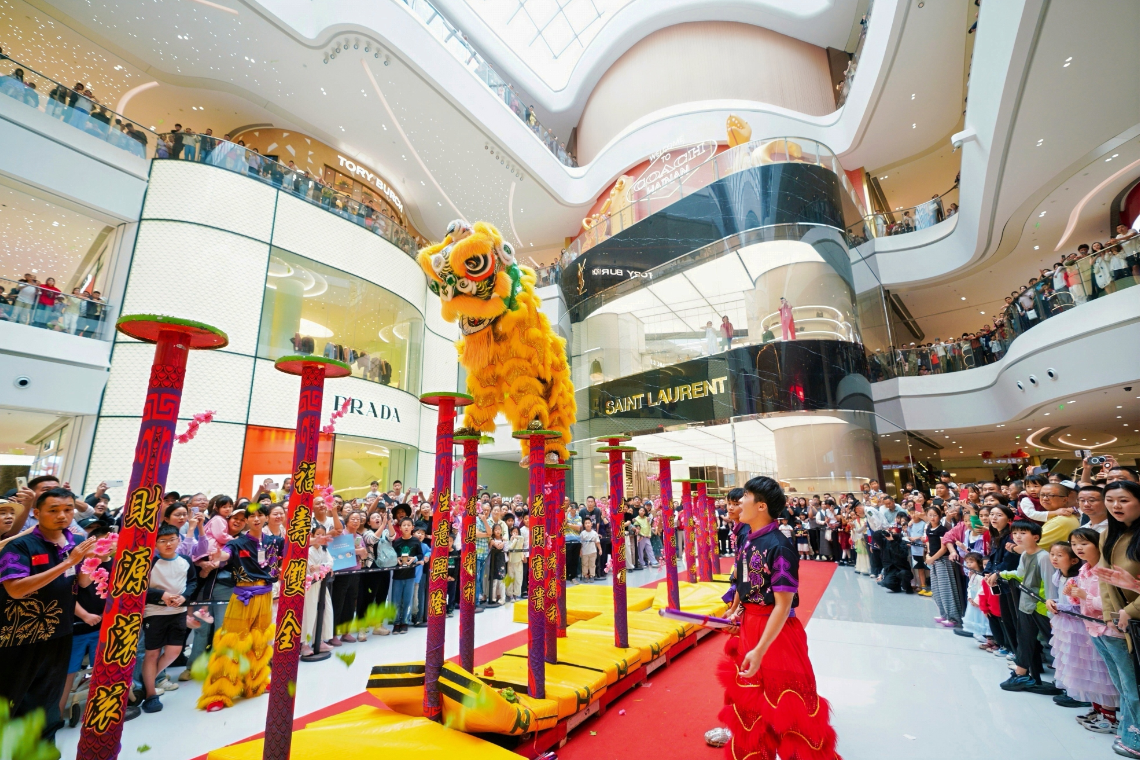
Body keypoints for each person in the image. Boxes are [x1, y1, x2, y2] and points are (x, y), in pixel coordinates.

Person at [717, 476, 839, 759]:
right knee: (751, 699)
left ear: (761, 506)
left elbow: (782, 607)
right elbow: (747, 587)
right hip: (751, 626)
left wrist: (760, 648)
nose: (739, 502)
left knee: (787, 701)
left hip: (777, 635)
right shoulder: (748, 539)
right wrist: (737, 613)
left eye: (745, 497)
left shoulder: (779, 546)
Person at [0, 487, 97, 741]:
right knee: (10, 700)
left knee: (47, 702)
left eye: (68, 510)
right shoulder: (20, 545)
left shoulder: (76, 542)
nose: (62, 515)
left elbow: (83, 582)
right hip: (19, 636)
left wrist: (92, 561)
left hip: (60, 632)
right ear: (36, 512)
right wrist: (68, 563)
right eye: (53, 510)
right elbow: (15, 589)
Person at [197, 504, 282, 712]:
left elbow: (294, 551)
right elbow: (226, 554)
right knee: (232, 641)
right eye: (251, 516)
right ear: (246, 521)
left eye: (259, 515)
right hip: (243, 596)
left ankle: (256, 682)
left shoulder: (274, 541)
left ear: (266, 518)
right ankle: (219, 692)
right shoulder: (237, 543)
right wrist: (220, 556)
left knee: (260, 641)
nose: (255, 519)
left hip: (265, 595)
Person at [1065, 527, 1121, 732]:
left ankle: (1110, 717)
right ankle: (1098, 710)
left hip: (1108, 629)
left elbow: (1109, 604)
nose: (1078, 548)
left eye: (1084, 543)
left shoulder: (1104, 571)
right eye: (1074, 544)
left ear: (1098, 545)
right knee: (1096, 672)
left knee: (1108, 675)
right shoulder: (1084, 569)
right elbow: (1082, 602)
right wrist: (1073, 594)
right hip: (1091, 627)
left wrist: (1084, 595)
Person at [141, 523, 200, 713]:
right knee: (152, 653)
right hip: (155, 613)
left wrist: (184, 597)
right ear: (155, 543)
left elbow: (192, 582)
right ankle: (150, 694)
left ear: (179, 540)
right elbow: (141, 587)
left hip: (178, 612)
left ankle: (148, 679)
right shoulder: (150, 562)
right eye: (162, 541)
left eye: (172, 540)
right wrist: (162, 595)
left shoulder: (185, 560)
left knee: (174, 652)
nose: (168, 544)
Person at [998, 520, 1057, 694]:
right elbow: (1020, 574)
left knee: (1055, 642)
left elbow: (1050, 586)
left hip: (1041, 608)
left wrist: (1052, 612)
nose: (1018, 536)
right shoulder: (1024, 554)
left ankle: (1069, 683)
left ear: (1036, 537)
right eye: (1015, 533)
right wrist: (1000, 574)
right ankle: (1021, 674)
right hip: (1026, 604)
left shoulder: (1044, 557)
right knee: (1024, 640)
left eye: (1023, 533)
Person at [390, 517, 422, 634]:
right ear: (400, 527)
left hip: (410, 575)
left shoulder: (416, 541)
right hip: (398, 576)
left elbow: (420, 555)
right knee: (396, 600)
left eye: (409, 525)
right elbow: (392, 556)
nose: (406, 527)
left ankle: (404, 622)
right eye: (404, 525)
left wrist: (414, 559)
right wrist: (397, 559)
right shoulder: (397, 542)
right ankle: (396, 623)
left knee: (408, 600)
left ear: (412, 527)